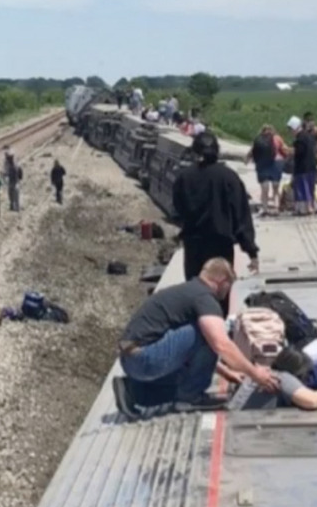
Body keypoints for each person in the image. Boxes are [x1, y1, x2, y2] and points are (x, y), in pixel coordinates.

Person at [113, 258, 280, 419]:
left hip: (131, 360)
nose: (228, 291)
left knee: (184, 379)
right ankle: (190, 398)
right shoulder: (204, 298)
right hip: (146, 359)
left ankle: (133, 390)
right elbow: (220, 345)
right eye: (229, 285)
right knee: (211, 331)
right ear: (222, 281)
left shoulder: (188, 291)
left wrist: (226, 372)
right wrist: (255, 373)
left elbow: (190, 348)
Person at [171, 132, 260, 316]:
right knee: (220, 295)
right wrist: (250, 250)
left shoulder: (184, 177)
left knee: (195, 293)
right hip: (220, 245)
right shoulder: (228, 177)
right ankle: (217, 334)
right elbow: (241, 216)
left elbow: (177, 210)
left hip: (194, 244)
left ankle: (197, 334)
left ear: (195, 151)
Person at [248, 125, 285, 213]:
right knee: (276, 187)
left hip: (262, 165)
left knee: (265, 188)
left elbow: (252, 151)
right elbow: (284, 149)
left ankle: (265, 209)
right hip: (276, 163)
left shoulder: (258, 139)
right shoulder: (277, 138)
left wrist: (247, 159)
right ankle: (276, 207)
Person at [289, 121, 317, 215]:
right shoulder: (310, 137)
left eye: (290, 129)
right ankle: (312, 206)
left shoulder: (300, 139)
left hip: (302, 168)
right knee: (310, 188)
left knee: (303, 188)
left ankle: (304, 209)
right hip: (312, 166)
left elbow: (299, 152)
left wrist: (289, 151)